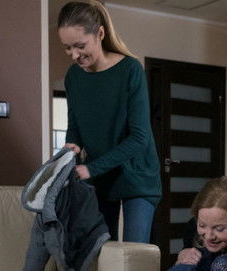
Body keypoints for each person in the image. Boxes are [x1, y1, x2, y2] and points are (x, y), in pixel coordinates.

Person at [57, 0, 162, 244]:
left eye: (80, 46)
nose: (74, 55)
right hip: (102, 178)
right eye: (67, 48)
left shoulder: (130, 70)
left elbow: (139, 138)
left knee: (134, 256)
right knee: (102, 252)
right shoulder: (73, 77)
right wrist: (70, 148)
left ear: (100, 34)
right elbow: (75, 128)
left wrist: (91, 168)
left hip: (137, 175)